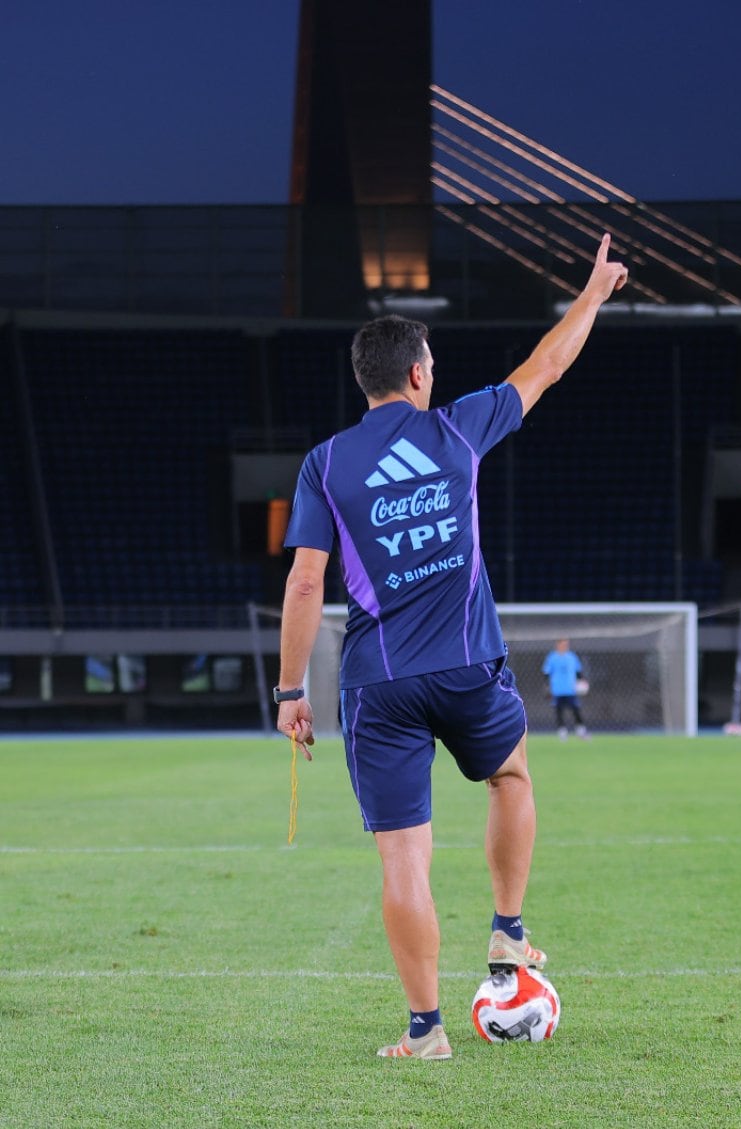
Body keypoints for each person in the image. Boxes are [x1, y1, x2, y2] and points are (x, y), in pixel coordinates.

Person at [274, 234, 628, 1060]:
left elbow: (303, 584)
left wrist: (292, 690)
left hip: (378, 683)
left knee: (405, 859)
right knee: (510, 775)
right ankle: (507, 930)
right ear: (420, 373)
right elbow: (546, 364)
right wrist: (593, 296)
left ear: (367, 381)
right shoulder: (456, 433)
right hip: (470, 666)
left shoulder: (325, 464)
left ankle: (426, 1030)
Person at [542, 638, 589, 740]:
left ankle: (580, 730)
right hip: (557, 689)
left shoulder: (572, 657)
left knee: (576, 709)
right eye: (562, 644)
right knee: (559, 710)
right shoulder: (552, 657)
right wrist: (547, 686)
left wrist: (582, 681)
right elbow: (546, 673)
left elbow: (578, 672)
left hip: (570, 689)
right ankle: (562, 732)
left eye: (566, 644)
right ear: (557, 645)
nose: (564, 646)